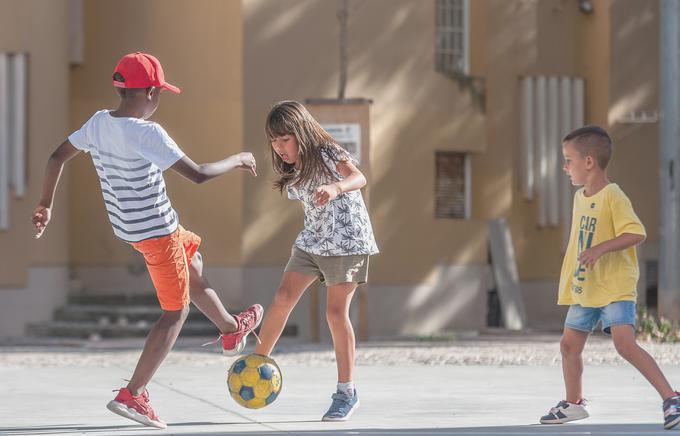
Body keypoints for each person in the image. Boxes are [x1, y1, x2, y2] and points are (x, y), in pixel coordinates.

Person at [31, 52, 263, 429]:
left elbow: (58, 156)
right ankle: (133, 394)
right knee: (176, 311)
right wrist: (237, 158)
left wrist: (45, 204)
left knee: (193, 263)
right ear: (152, 93)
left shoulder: (98, 123)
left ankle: (230, 330)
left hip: (132, 230)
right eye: (161, 94)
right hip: (158, 233)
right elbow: (200, 175)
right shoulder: (146, 133)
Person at [539, 125, 680, 430]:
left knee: (624, 345)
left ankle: (672, 398)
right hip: (587, 287)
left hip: (615, 286)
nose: (565, 167)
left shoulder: (614, 195)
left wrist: (600, 249)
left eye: (568, 160)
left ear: (588, 162)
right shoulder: (580, 197)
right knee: (568, 346)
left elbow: (637, 233)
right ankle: (574, 404)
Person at [253, 100, 378, 421]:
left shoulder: (326, 151)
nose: (279, 147)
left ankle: (346, 392)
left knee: (335, 314)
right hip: (313, 239)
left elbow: (358, 177)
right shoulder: (291, 165)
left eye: (285, 139)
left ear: (301, 134)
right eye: (274, 140)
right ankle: (256, 365)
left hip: (347, 239)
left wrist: (336, 187)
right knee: (282, 298)